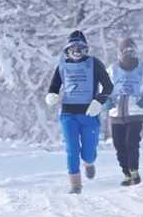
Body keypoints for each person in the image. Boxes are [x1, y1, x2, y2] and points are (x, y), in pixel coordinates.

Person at [45, 30, 113, 194]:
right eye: (72, 48)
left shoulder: (94, 63)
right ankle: (75, 185)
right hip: (68, 115)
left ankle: (89, 163)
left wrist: (98, 101)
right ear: (67, 50)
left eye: (80, 48)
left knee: (88, 153)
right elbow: (54, 87)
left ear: (85, 49)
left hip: (89, 114)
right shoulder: (62, 66)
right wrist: (52, 95)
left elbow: (108, 86)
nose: (76, 52)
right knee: (72, 149)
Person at [104, 38, 143, 186]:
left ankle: (134, 171)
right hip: (116, 112)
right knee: (118, 144)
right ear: (120, 53)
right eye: (125, 51)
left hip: (136, 111)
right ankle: (126, 173)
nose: (128, 53)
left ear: (135, 52)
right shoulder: (112, 69)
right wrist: (106, 100)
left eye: (131, 50)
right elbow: (104, 87)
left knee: (131, 142)